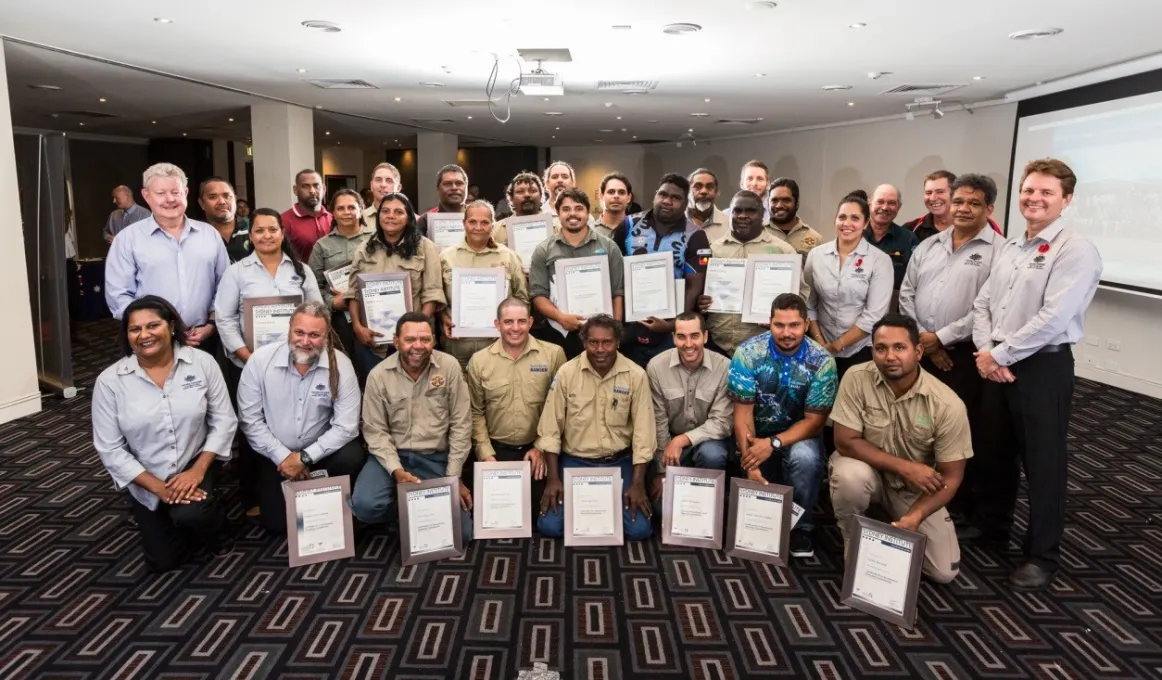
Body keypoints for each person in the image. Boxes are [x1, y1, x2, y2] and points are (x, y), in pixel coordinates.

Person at [968, 158, 1102, 591]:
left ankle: (1042, 554)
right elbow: (984, 304)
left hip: (1043, 366)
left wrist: (1001, 354)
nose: (1034, 198)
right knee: (994, 452)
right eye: (1029, 190)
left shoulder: (1074, 249)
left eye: (1046, 192)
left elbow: (1054, 316)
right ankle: (992, 528)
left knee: (1043, 465)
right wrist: (989, 351)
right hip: (998, 363)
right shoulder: (1011, 246)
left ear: (1066, 200)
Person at [91, 295, 237, 572]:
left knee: (194, 512)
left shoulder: (202, 363)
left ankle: (218, 528)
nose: (144, 335)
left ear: (171, 327)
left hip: (196, 463)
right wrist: (159, 488)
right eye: (135, 329)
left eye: (153, 325)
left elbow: (224, 420)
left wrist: (197, 472)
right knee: (163, 562)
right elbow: (110, 449)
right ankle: (169, 514)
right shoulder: (110, 381)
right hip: (147, 476)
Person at [829, 314, 972, 584]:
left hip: (912, 491)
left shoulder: (947, 405)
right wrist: (905, 467)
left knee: (944, 572)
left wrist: (915, 517)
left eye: (899, 347)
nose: (890, 356)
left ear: (918, 352)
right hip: (868, 474)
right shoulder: (856, 377)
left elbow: (951, 478)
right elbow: (844, 441)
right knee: (848, 476)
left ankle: (888, 517)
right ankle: (853, 540)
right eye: (881, 348)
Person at [899, 173, 1003, 522]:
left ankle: (958, 502)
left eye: (974, 203)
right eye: (959, 201)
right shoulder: (928, 244)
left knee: (958, 430)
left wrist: (941, 338)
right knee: (918, 423)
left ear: (989, 208)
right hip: (921, 351)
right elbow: (907, 293)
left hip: (964, 357)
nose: (963, 208)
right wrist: (925, 341)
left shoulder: (1000, 253)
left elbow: (988, 308)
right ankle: (916, 489)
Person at [237, 301, 365, 535]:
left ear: (326, 336)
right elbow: (250, 421)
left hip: (321, 453)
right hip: (275, 456)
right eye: (299, 332)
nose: (305, 341)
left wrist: (305, 457)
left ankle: (330, 504)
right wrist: (285, 458)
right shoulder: (259, 362)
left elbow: (346, 427)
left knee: (352, 455)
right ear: (289, 329)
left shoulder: (341, 365)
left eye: (315, 335)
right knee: (277, 525)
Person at [729, 294, 837, 557]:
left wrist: (774, 443)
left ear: (806, 323)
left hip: (799, 435)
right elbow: (743, 415)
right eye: (779, 325)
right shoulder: (747, 354)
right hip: (757, 434)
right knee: (758, 480)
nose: (787, 332)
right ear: (769, 323)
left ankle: (801, 528)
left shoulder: (822, 361)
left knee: (806, 459)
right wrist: (750, 461)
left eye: (795, 325)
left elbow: (814, 422)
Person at [350, 313, 473, 539]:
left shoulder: (450, 367)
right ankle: (411, 509)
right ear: (396, 341)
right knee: (365, 505)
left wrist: (454, 477)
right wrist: (396, 470)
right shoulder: (378, 376)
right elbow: (375, 432)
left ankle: (416, 508)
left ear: (434, 340)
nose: (418, 346)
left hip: (435, 457)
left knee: (462, 534)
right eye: (410, 340)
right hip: (392, 457)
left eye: (425, 339)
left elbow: (461, 425)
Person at [534, 315, 655, 541]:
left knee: (639, 531)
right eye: (593, 342)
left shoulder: (636, 375)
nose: (600, 349)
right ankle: (593, 513)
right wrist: (553, 480)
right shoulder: (566, 374)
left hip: (619, 462)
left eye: (607, 342)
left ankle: (599, 513)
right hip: (574, 461)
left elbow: (644, 435)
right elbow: (550, 430)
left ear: (617, 342)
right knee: (550, 527)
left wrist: (638, 484)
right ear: (584, 342)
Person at [105, 163, 228, 354]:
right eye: (161, 193)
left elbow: (225, 287)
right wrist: (152, 330)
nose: (170, 199)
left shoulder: (209, 235)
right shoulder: (127, 239)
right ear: (146, 196)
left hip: (204, 339)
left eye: (175, 192)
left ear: (185, 192)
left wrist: (212, 324)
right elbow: (118, 296)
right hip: (151, 343)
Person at [466, 298, 567, 523]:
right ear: (497, 324)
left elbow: (561, 407)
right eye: (508, 322)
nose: (515, 328)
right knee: (490, 519)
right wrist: (485, 454)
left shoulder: (553, 354)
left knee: (543, 519)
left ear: (531, 322)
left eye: (521, 321)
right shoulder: (479, 361)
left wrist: (541, 446)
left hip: (537, 450)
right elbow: (475, 411)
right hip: (496, 450)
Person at [686, 190, 798, 356]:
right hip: (717, 346)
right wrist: (701, 303)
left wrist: (781, 318)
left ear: (762, 215)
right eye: (737, 210)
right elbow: (697, 293)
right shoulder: (713, 250)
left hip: (764, 348)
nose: (742, 216)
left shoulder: (784, 251)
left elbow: (799, 299)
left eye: (751, 211)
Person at [347, 193, 445, 376]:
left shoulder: (425, 247)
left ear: (409, 217)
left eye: (398, 212)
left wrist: (415, 333)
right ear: (378, 216)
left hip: (412, 344)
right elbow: (353, 293)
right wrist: (357, 328)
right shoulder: (364, 248)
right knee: (375, 395)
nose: (390, 216)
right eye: (385, 211)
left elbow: (432, 294)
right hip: (372, 343)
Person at [213, 209, 324, 372]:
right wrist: (248, 357)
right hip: (251, 363)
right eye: (259, 231)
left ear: (282, 233)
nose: (267, 236)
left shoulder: (302, 270)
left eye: (273, 230)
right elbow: (225, 320)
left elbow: (318, 312)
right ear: (250, 236)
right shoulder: (235, 272)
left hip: (300, 361)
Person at [646, 312, 732, 515]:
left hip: (708, 442)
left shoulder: (725, 368)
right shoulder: (656, 367)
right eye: (681, 337)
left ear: (705, 336)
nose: (688, 344)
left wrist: (682, 440)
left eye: (694, 336)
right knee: (661, 511)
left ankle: (708, 510)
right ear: (673, 338)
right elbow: (657, 421)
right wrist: (660, 470)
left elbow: (721, 423)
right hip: (669, 445)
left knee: (713, 454)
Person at [610, 173, 699, 367]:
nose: (667, 201)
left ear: (685, 204)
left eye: (676, 198)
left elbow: (694, 287)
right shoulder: (629, 225)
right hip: (629, 326)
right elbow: (613, 273)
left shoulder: (694, 235)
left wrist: (674, 324)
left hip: (668, 330)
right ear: (655, 195)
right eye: (663, 195)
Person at [804, 192, 893, 379]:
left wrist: (838, 344)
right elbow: (809, 304)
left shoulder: (880, 260)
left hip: (860, 350)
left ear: (866, 223)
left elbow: (874, 315)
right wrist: (820, 343)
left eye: (855, 218)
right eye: (842, 217)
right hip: (819, 347)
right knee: (819, 403)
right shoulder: (816, 255)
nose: (847, 223)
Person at [528, 189, 625, 359]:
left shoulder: (609, 247)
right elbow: (538, 295)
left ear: (588, 213)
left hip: (601, 335)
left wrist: (615, 330)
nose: (572, 214)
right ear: (557, 213)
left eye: (579, 208)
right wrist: (561, 317)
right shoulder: (543, 250)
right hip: (559, 332)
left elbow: (617, 292)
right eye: (566, 209)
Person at [440, 200, 529, 369]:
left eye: (485, 222)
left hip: (497, 344)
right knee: (459, 393)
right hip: (457, 345)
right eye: (472, 222)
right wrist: (442, 317)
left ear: (492, 225)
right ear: (463, 223)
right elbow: (437, 297)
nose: (478, 227)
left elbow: (522, 298)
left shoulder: (508, 257)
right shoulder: (446, 257)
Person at [309, 189, 374, 364]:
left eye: (351, 208)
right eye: (341, 208)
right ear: (333, 213)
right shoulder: (322, 246)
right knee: (341, 363)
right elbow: (312, 286)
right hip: (338, 320)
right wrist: (332, 302)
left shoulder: (375, 239)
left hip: (372, 313)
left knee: (369, 364)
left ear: (361, 210)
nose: (346, 212)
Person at [865, 184, 919, 294]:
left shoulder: (909, 239)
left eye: (891, 203)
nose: (885, 207)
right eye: (880, 201)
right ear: (869, 204)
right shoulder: (854, 236)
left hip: (892, 306)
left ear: (899, 207)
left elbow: (916, 281)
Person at [491, 171, 559, 248]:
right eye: (520, 191)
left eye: (532, 190)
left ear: (541, 196)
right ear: (511, 199)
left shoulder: (559, 226)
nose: (527, 195)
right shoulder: (496, 230)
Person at [280, 169, 333, 261]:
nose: (312, 191)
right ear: (295, 190)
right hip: (300, 274)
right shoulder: (283, 221)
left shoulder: (333, 218)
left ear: (324, 189)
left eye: (316, 186)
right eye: (305, 186)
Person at [765, 178, 823, 259]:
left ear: (797, 203)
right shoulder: (757, 234)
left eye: (786, 200)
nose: (779, 205)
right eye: (774, 200)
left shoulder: (816, 239)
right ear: (768, 203)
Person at [199, 177, 250, 263]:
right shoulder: (195, 234)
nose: (222, 202)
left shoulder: (254, 228)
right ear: (202, 204)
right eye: (213, 197)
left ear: (235, 199)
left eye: (227, 196)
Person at [903, 171, 956, 242]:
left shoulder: (970, 227)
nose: (933, 198)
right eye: (928, 193)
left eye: (940, 192)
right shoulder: (910, 229)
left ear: (955, 194)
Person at [416, 164, 468, 235]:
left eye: (459, 183)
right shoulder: (425, 221)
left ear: (466, 187)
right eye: (447, 184)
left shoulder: (480, 216)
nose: (454, 188)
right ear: (438, 189)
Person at [687, 168, 729, 243]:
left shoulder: (729, 226)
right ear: (688, 192)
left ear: (717, 193)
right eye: (697, 187)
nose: (704, 191)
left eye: (709, 187)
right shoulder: (675, 222)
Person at [595, 172, 634, 239]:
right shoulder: (588, 231)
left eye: (621, 192)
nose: (616, 196)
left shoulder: (639, 231)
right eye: (611, 192)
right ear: (601, 196)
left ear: (629, 198)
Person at [364, 163, 402, 228]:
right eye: (378, 180)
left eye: (389, 181)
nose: (383, 185)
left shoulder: (413, 219)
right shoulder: (359, 219)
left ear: (398, 188)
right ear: (371, 185)